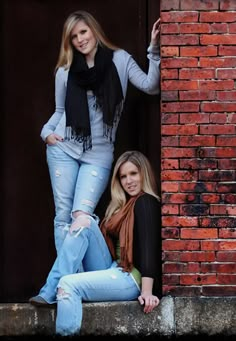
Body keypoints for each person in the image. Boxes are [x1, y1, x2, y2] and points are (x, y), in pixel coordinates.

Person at [40, 10, 161, 253]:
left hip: (99, 154)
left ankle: (63, 285)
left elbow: (151, 86)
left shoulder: (120, 60)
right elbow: (59, 110)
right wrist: (46, 133)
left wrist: (154, 51)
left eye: (83, 32)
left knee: (81, 217)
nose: (80, 39)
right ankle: (68, 284)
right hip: (63, 149)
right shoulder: (65, 71)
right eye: (73, 36)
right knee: (63, 218)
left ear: (94, 30)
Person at [29, 150, 162, 336]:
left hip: (130, 278)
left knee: (68, 284)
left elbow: (149, 250)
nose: (128, 181)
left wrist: (147, 292)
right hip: (112, 267)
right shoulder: (121, 207)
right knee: (84, 220)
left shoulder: (146, 202)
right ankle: (50, 288)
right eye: (123, 176)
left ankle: (56, 288)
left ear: (144, 174)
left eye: (133, 173)